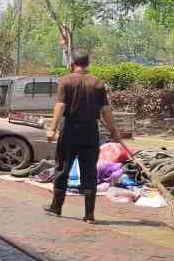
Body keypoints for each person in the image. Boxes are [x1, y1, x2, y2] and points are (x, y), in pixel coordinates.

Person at [45, 51, 121, 224]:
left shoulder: (66, 81)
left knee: (62, 168)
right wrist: (113, 130)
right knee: (89, 171)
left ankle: (56, 208)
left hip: (70, 130)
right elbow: (106, 110)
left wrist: (52, 128)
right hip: (90, 131)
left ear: (73, 63)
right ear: (88, 63)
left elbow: (60, 105)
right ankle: (89, 215)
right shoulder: (97, 83)